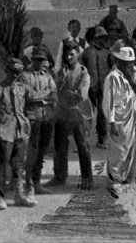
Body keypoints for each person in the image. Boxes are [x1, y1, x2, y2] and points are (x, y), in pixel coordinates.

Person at [0, 58, 35, 210]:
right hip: (4, 132)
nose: (14, 75)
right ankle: (1, 196)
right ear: (6, 71)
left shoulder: (22, 89)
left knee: (19, 164)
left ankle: (19, 195)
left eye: (17, 73)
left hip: (20, 131)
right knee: (3, 165)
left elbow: (29, 105)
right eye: (12, 72)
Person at [103, 41, 136, 199]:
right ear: (118, 62)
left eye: (131, 62)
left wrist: (135, 83)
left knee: (134, 148)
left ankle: (132, 179)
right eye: (126, 63)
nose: (129, 65)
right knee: (118, 150)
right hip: (119, 120)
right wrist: (112, 122)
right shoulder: (112, 78)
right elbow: (108, 102)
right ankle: (114, 182)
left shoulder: (134, 74)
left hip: (133, 117)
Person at [46, 44, 94, 190]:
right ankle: (59, 176)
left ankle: (87, 179)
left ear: (78, 55)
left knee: (83, 146)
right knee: (59, 146)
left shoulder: (83, 73)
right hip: (61, 113)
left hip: (77, 114)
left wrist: (65, 91)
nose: (68, 57)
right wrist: (62, 82)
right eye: (66, 55)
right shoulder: (62, 72)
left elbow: (82, 95)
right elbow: (53, 90)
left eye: (72, 54)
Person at [18, 47, 57, 201]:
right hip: (32, 118)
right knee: (31, 152)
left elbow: (54, 96)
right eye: (38, 59)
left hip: (46, 117)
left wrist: (42, 97)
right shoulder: (24, 76)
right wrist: (44, 95)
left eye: (43, 60)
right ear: (32, 60)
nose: (41, 62)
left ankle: (37, 181)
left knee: (42, 151)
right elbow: (28, 96)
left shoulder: (47, 76)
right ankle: (28, 185)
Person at [81, 26, 112, 149]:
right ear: (96, 38)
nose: (102, 40)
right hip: (90, 87)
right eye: (100, 37)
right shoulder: (88, 52)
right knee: (88, 114)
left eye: (104, 38)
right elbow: (81, 67)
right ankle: (84, 140)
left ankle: (101, 139)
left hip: (103, 87)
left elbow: (113, 66)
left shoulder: (108, 52)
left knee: (101, 114)